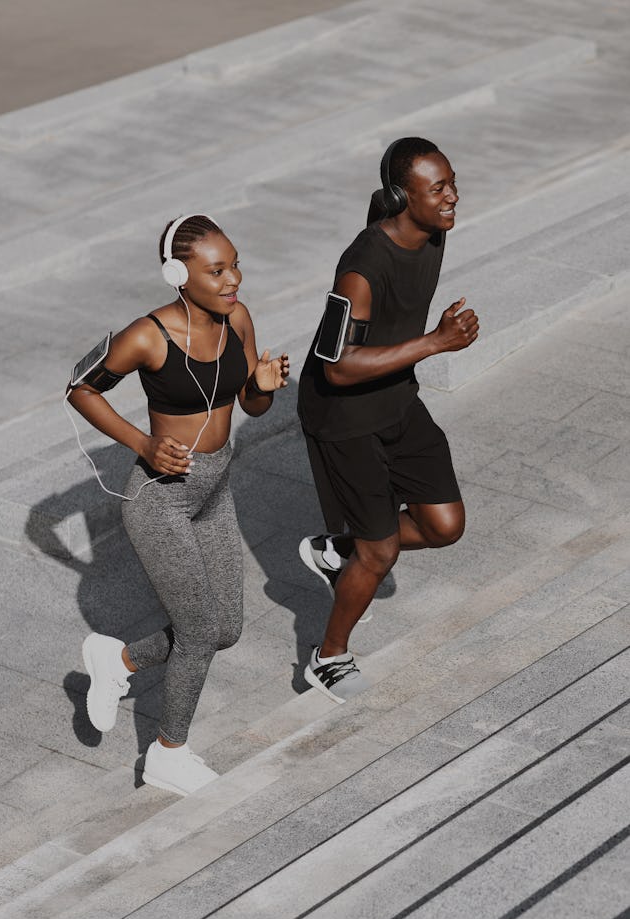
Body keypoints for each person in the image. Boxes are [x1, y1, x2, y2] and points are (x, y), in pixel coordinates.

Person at [67, 214, 289, 796]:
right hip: (158, 499)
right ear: (177, 273)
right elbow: (80, 387)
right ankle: (169, 752)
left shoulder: (237, 317)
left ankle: (119, 664)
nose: (232, 278)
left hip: (215, 488)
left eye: (235, 263)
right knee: (198, 628)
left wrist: (261, 384)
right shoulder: (148, 334)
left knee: (227, 629)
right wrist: (142, 443)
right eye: (216, 270)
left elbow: (251, 407)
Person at [296, 137, 479, 703]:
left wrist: (429, 340)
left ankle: (338, 551)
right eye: (438, 188)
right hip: (343, 416)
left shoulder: (433, 231)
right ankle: (328, 657)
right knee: (382, 552)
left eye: (451, 181)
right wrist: (435, 342)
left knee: (444, 524)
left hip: (397, 398)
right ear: (404, 197)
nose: (453, 196)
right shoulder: (360, 268)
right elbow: (338, 367)